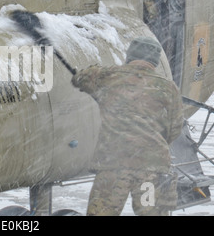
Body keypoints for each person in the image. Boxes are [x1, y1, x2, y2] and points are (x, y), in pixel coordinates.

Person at [71, 37, 184, 216]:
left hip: (113, 164)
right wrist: (152, 142)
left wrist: (93, 72)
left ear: (130, 56)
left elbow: (79, 79)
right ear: (154, 61)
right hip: (151, 167)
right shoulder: (167, 87)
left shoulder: (107, 76)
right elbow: (176, 127)